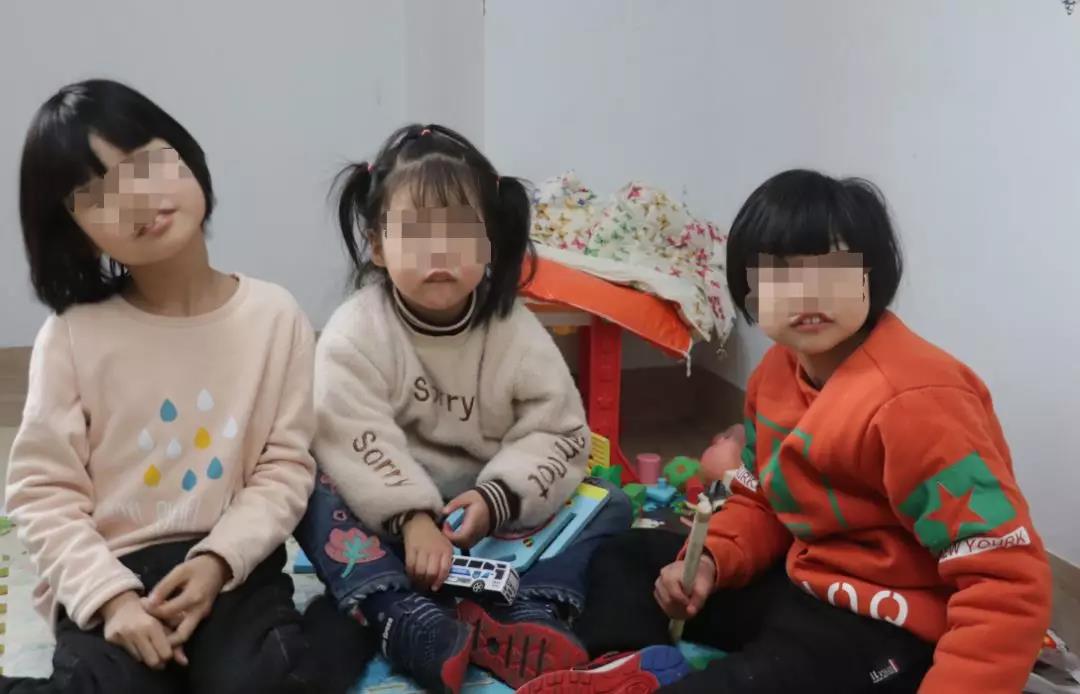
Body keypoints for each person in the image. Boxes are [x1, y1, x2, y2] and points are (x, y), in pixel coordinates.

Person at [526, 170, 1053, 693]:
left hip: (884, 623)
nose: (805, 296)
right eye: (778, 276)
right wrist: (709, 561)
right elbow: (762, 501)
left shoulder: (919, 403)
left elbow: (1006, 583)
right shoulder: (775, 374)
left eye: (831, 272)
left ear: (872, 276)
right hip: (799, 579)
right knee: (625, 554)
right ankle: (627, 668)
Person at [3, 79, 351, 694]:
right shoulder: (73, 336)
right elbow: (43, 494)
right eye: (98, 195)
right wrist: (111, 600)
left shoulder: (274, 317)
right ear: (74, 231)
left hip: (230, 567)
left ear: (187, 157)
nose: (136, 199)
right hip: (109, 573)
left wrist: (218, 561)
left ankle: (354, 622)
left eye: (145, 165)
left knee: (268, 682)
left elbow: (284, 468)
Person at [295, 124, 632, 694]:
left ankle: (528, 609)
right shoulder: (355, 332)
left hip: (491, 522)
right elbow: (348, 435)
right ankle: (400, 615)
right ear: (377, 246)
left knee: (610, 502)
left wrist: (494, 501)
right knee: (305, 481)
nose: (439, 253)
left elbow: (558, 430)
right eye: (415, 233)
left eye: (460, 232)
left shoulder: (514, 329)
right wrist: (412, 519)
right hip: (391, 528)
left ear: (490, 243)